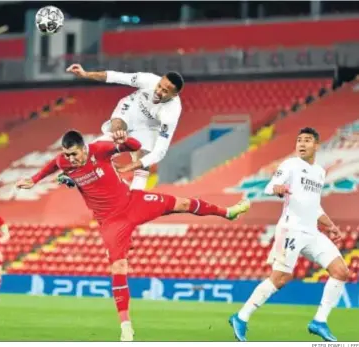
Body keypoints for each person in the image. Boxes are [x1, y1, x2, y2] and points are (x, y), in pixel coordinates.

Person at [16, 129, 250, 342]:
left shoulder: (99, 150)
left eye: (74, 154)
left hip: (133, 202)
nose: (71, 159)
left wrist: (123, 140)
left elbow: (134, 144)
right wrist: (34, 180)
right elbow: (51, 166)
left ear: (84, 148)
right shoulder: (64, 162)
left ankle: (228, 212)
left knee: (183, 203)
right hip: (110, 222)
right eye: (67, 155)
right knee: (118, 267)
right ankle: (126, 326)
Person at [229, 127, 349, 342]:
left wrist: (330, 225)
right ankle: (241, 317)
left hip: (312, 231)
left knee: (341, 271)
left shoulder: (319, 172)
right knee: (280, 278)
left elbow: (315, 205)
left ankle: (319, 321)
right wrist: (277, 189)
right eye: (299, 140)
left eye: (307, 140)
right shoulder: (291, 165)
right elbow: (269, 187)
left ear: (316, 145)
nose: (301, 144)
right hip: (290, 229)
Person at [66, 63, 184, 191]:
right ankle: (77, 169)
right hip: (131, 109)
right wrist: (86, 74)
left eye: (165, 91)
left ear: (174, 95)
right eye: (159, 86)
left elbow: (160, 152)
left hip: (150, 126)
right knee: (117, 132)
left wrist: (128, 168)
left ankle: (134, 201)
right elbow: (116, 76)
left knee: (143, 161)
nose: (158, 91)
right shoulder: (148, 79)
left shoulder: (171, 113)